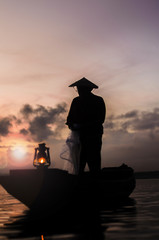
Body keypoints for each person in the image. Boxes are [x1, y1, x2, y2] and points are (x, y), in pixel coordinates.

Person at [66, 77, 106, 175]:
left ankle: (95, 181)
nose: (79, 91)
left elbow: (101, 119)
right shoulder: (76, 101)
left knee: (94, 161)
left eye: (81, 89)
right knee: (80, 162)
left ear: (88, 89)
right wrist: (71, 124)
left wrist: (82, 126)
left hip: (93, 136)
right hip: (79, 137)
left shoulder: (98, 100)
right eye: (78, 89)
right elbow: (69, 119)